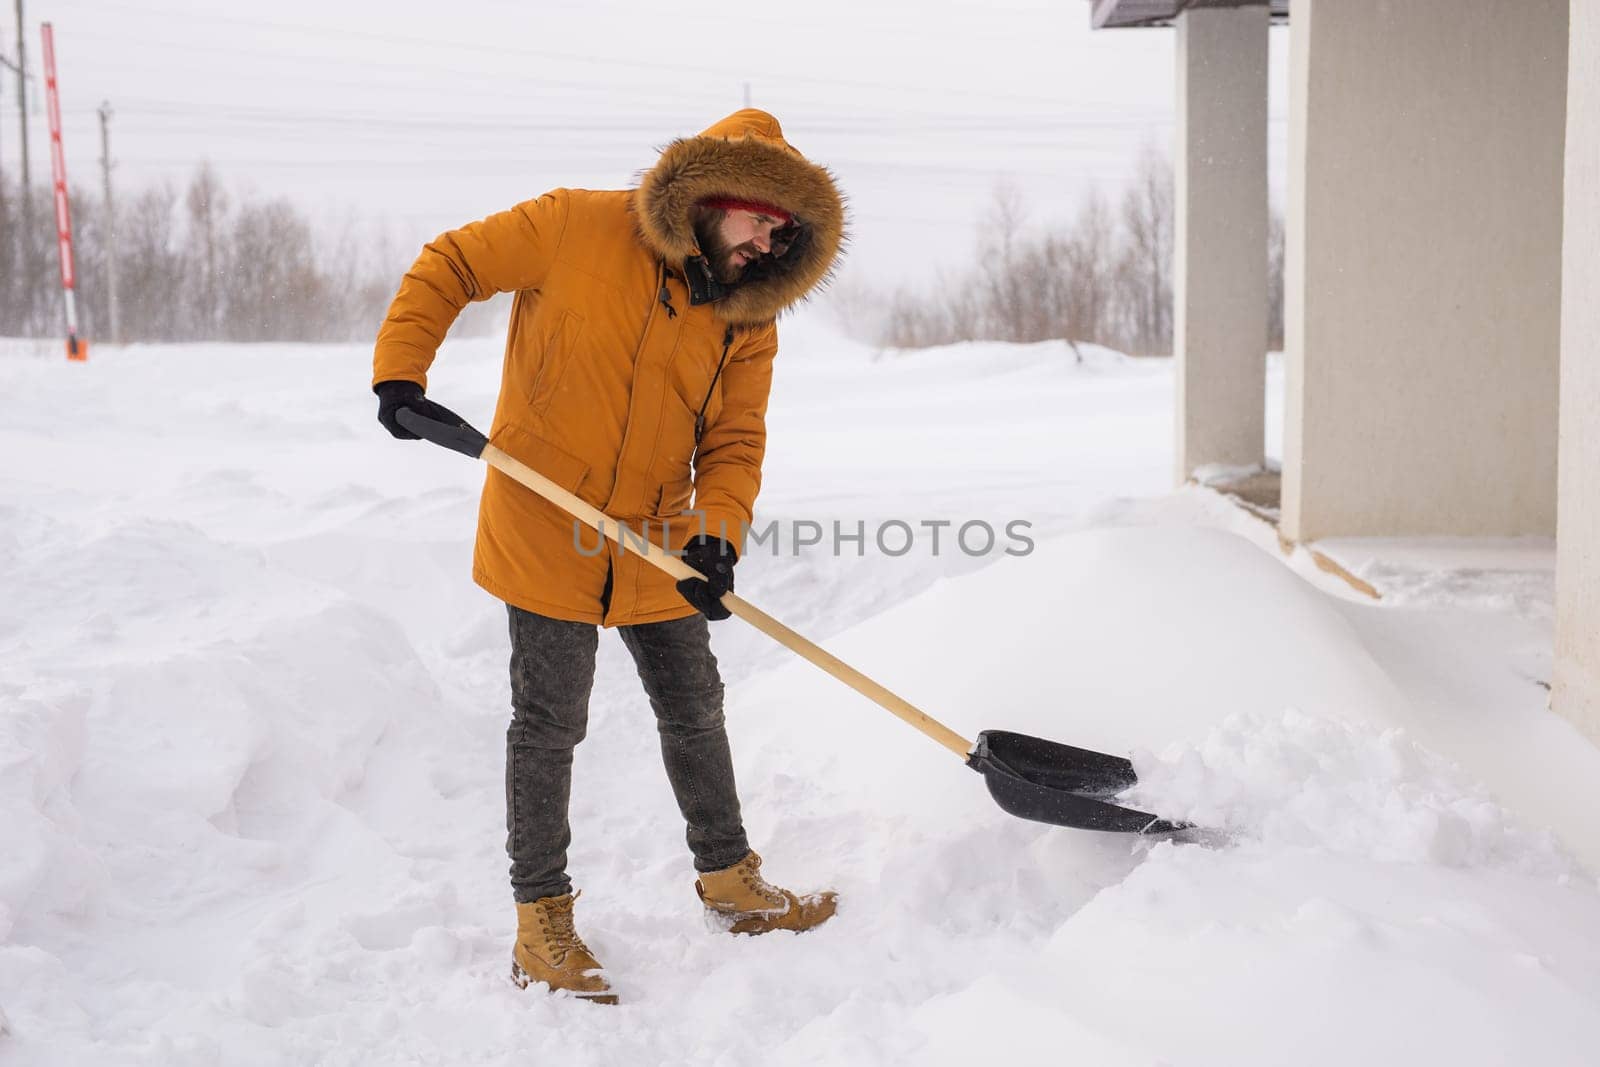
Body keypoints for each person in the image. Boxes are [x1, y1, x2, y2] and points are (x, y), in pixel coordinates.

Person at [370, 109, 846, 1005]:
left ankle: (729, 879)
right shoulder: (574, 225)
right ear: (714, 198)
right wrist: (401, 371)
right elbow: (453, 263)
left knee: (695, 707)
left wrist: (719, 532)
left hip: (656, 533)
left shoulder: (748, 311)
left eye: (785, 231)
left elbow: (736, 435)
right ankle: (540, 922)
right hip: (545, 517)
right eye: (760, 220)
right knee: (550, 724)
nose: (768, 242)